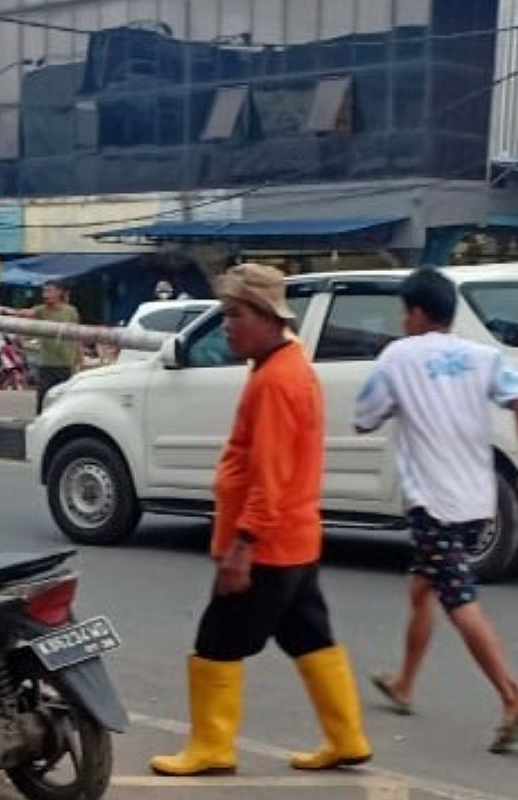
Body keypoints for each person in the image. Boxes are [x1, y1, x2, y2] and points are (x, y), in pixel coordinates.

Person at [149, 263, 371, 777]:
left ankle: (211, 746)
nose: (227, 325)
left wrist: (242, 546)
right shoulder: (286, 366)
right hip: (295, 538)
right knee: (309, 635)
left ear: (268, 317)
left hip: (266, 544)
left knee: (216, 643)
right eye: (226, 313)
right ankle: (347, 738)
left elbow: (268, 475)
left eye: (236, 314)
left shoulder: (276, 380)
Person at [352, 268, 518, 755]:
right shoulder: (483, 356)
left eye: (404, 312)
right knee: (423, 587)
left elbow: (363, 417)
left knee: (458, 599)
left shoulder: (398, 356)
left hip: (432, 502)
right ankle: (404, 684)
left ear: (416, 313)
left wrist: (401, 406)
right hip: (477, 501)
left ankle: (511, 694)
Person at [2, 280, 80, 413]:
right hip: (47, 363)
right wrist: (4, 311)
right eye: (44, 291)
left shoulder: (71, 312)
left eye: (49, 291)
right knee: (43, 398)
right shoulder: (42, 310)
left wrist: (79, 360)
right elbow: (24, 313)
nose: (45, 295)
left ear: (59, 292)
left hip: (66, 364)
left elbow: (78, 337)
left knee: (65, 399)